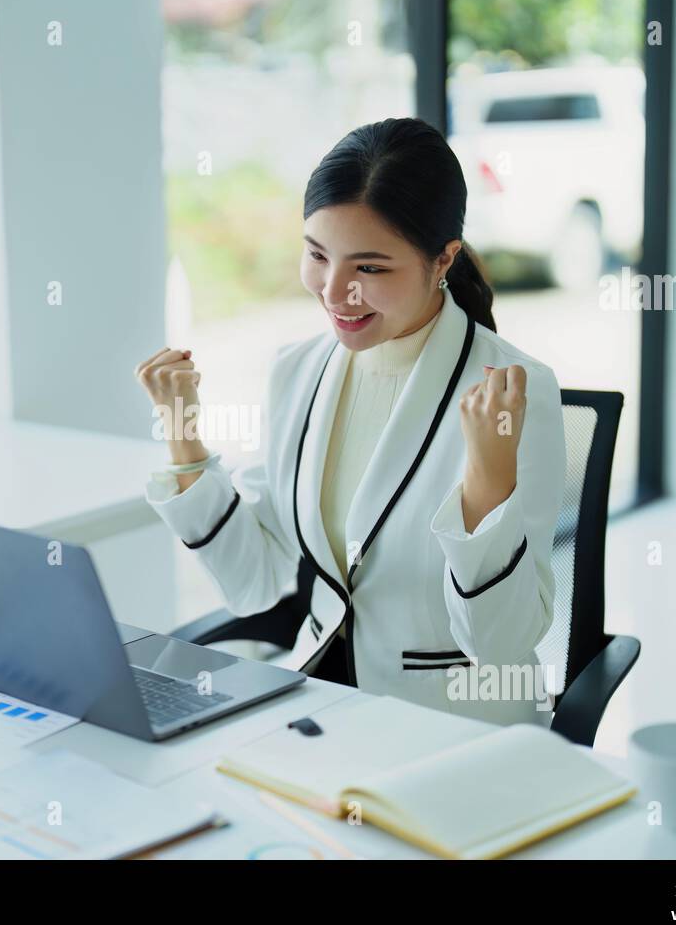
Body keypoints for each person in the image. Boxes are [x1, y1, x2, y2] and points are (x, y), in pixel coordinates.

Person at [134, 118, 566, 725]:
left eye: (370, 269)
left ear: (442, 259)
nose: (335, 293)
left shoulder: (516, 393)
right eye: (317, 255)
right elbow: (255, 581)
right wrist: (182, 434)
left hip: (452, 725)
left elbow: (501, 643)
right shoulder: (298, 371)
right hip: (320, 703)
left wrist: (486, 491)